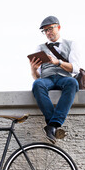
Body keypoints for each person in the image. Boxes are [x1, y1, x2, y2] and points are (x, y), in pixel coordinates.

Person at [30, 16, 80, 144]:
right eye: (45, 31)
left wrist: (58, 62)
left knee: (73, 83)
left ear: (58, 27)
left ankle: (52, 125)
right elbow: (38, 77)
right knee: (37, 84)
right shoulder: (40, 47)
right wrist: (33, 69)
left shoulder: (71, 44)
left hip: (64, 78)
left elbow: (75, 68)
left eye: (50, 29)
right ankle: (53, 124)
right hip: (47, 78)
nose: (48, 32)